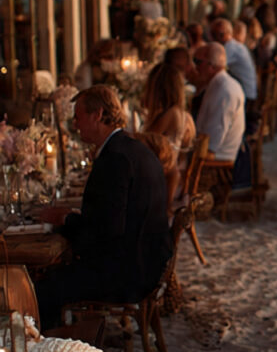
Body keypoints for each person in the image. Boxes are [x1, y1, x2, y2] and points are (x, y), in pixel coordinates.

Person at [34, 86, 173, 328]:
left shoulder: (115, 158)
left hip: (127, 275)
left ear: (97, 115)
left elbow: (106, 231)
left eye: (78, 117)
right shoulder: (132, 148)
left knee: (38, 287)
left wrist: (66, 220)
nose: (75, 125)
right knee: (55, 272)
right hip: (147, 263)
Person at [193, 43, 245, 164]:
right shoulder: (217, 84)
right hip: (212, 152)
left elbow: (211, 143)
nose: (195, 68)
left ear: (211, 66)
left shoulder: (223, 90)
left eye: (198, 62)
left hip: (217, 159)